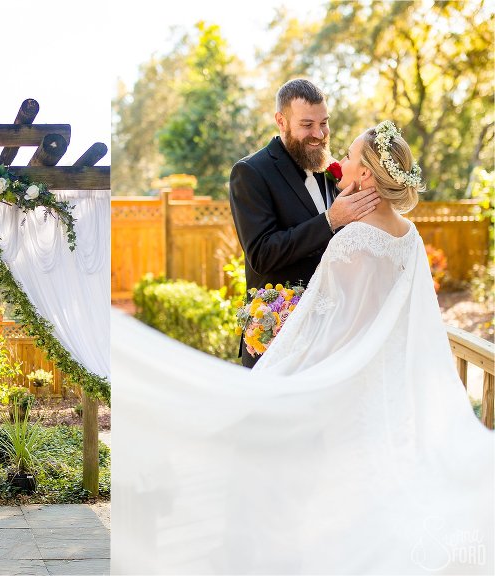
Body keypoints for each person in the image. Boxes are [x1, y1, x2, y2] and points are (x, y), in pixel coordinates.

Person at [111, 121, 493, 574]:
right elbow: (410, 314)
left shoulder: (351, 238)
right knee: (376, 486)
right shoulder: (409, 235)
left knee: (314, 484)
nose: (342, 162)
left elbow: (322, 322)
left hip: (344, 384)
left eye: (351, 155)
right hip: (387, 383)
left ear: (368, 175)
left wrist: (275, 366)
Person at [230, 78, 382, 367]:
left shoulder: (332, 168)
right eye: (307, 125)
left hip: (331, 337)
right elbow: (262, 254)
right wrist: (330, 220)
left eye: (324, 123)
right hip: (276, 338)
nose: (319, 134)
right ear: (281, 121)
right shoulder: (250, 172)